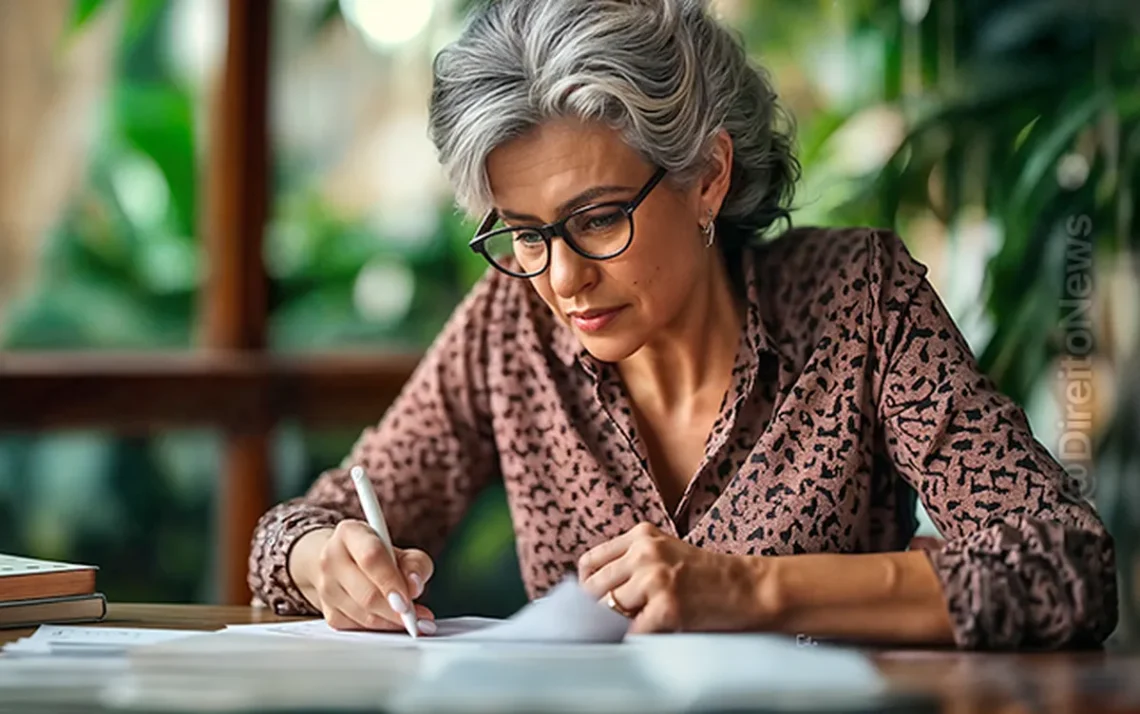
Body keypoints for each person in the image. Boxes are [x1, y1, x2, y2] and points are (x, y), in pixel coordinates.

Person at [248, 0, 1117, 649]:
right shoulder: (511, 330)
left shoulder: (860, 302)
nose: (561, 276)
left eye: (595, 219)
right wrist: (325, 556)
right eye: (522, 233)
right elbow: (294, 533)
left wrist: (750, 591)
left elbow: (1060, 564)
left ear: (706, 175)